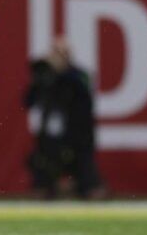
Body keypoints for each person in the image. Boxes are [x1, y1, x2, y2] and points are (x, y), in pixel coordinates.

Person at [25, 38, 105, 199]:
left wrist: (61, 72)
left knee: (91, 187)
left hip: (77, 138)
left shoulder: (79, 75)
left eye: (61, 53)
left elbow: (83, 92)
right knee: (41, 185)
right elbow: (28, 100)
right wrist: (42, 76)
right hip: (51, 140)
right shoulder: (46, 76)